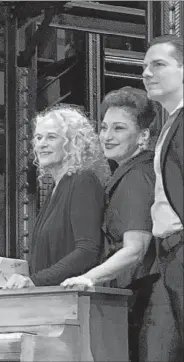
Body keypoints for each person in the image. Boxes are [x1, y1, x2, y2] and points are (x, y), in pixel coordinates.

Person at [61, 87, 157, 362]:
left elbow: (135, 249)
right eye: (103, 128)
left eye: (118, 129)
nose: (107, 136)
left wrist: (88, 277)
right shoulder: (131, 173)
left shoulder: (137, 177)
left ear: (143, 136)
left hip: (147, 303)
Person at [4, 105, 109, 289]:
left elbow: (87, 251)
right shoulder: (56, 186)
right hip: (53, 298)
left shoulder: (83, 181)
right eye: (38, 137)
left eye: (51, 137)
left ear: (73, 142)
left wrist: (36, 281)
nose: (41, 144)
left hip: (73, 299)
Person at [139, 34, 183, 362]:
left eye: (158, 64)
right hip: (165, 254)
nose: (147, 73)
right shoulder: (169, 124)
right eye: (144, 67)